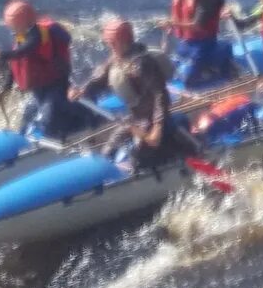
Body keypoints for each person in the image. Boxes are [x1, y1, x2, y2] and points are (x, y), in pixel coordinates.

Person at [76, 15, 202, 172]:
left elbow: (159, 95)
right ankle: (106, 171)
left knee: (138, 157)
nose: (110, 46)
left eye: (112, 43)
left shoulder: (142, 64)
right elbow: (99, 78)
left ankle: (178, 155)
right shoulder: (116, 59)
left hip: (154, 122)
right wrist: (83, 90)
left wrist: (157, 128)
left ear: (122, 41)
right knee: (109, 150)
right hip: (135, 120)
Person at [0, 0, 101, 141]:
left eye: (13, 24)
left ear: (23, 20)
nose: (11, 28)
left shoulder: (39, 35)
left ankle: (92, 118)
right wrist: (4, 91)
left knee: (48, 118)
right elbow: (15, 66)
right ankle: (24, 144)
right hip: (39, 90)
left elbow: (22, 53)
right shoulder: (21, 37)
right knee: (28, 117)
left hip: (56, 87)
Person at [163, 0, 239, 87]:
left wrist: (173, 24)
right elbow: (175, 16)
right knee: (171, 71)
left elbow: (197, 26)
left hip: (204, 43)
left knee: (188, 80)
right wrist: (168, 32)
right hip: (186, 43)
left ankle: (223, 59)